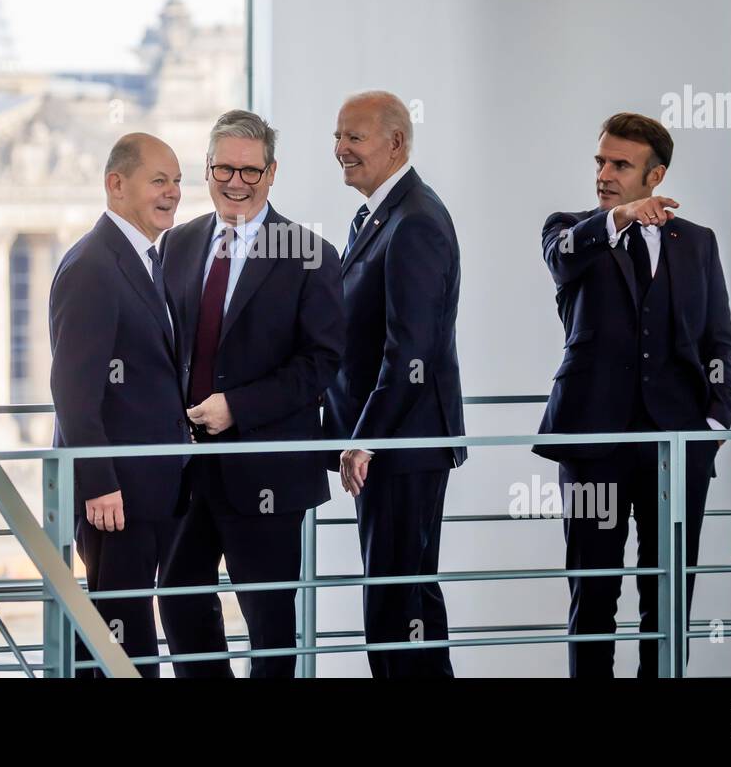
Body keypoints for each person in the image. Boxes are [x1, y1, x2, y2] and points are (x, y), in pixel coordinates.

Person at [536, 112, 731, 677]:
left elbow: (718, 341)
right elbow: (562, 256)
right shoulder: (569, 230)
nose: (604, 173)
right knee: (593, 600)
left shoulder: (696, 242)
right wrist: (619, 216)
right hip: (592, 442)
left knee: (669, 601)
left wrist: (714, 426)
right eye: (600, 160)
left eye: (620, 164)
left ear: (656, 175)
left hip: (676, 448)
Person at [158, 109, 343, 677]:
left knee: (268, 621)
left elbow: (321, 365)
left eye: (250, 171)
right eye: (224, 169)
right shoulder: (179, 243)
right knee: (179, 597)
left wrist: (235, 406)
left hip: (267, 469)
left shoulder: (311, 254)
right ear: (207, 168)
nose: (236, 182)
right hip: (187, 468)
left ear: (272, 172)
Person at [323, 90, 466, 678]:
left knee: (392, 610)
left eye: (354, 138)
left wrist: (366, 440)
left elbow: (411, 353)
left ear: (396, 143)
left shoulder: (416, 222)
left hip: (402, 448)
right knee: (410, 606)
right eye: (338, 137)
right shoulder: (384, 213)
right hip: (394, 445)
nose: (340, 150)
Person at [49, 131, 188, 677]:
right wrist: (101, 482)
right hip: (117, 496)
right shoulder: (93, 265)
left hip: (153, 487)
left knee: (123, 631)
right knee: (119, 635)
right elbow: (73, 391)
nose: (173, 192)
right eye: (159, 181)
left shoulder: (149, 260)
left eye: (177, 181)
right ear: (116, 184)